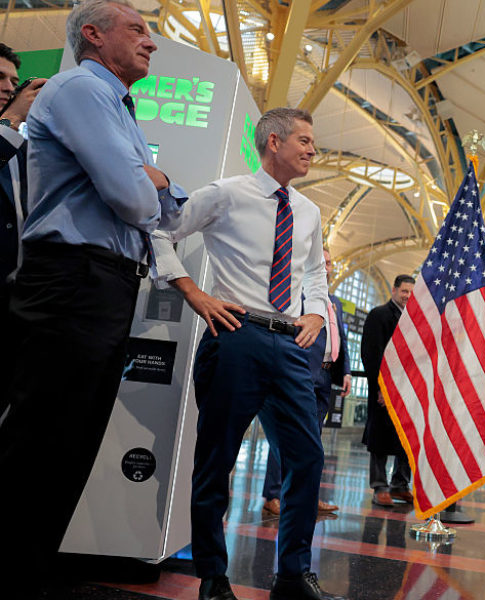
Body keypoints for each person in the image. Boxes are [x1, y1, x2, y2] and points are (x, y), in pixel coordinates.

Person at [0, 2, 185, 595]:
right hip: (73, 277)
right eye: (138, 29)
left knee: (73, 437)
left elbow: (166, 210)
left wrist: (153, 184)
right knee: (43, 436)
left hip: (104, 282)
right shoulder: (82, 89)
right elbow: (136, 199)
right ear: (93, 35)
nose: (151, 42)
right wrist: (154, 182)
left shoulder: (118, 106)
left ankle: (33, 569)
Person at [152, 106, 330, 600]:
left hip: (290, 343)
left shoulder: (309, 211)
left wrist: (316, 313)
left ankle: (292, 576)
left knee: (307, 457)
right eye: (304, 141)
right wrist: (193, 292)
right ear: (274, 142)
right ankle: (213, 578)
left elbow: (315, 272)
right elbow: (161, 232)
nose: (313, 150)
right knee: (217, 460)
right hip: (235, 335)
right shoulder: (226, 193)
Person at [262, 248, 350, 516]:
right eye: (322, 262)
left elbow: (340, 338)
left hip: (326, 376)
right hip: (300, 372)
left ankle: (308, 495)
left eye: (330, 263)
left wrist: (345, 372)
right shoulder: (295, 295)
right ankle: (273, 495)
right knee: (285, 435)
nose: (327, 267)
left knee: (313, 440)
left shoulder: (334, 301)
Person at [0, 43, 46, 336]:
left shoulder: (21, 147)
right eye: (0, 78)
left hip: (17, 300)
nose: (9, 88)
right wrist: (13, 118)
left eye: (14, 82)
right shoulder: (9, 132)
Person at [362, 274, 416, 507]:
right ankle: (380, 486)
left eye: (411, 292)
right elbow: (371, 355)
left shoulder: (415, 320)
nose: (407, 296)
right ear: (394, 291)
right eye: (404, 291)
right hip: (384, 388)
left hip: (408, 390)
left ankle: (400, 485)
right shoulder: (379, 315)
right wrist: (380, 388)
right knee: (380, 438)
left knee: (406, 438)